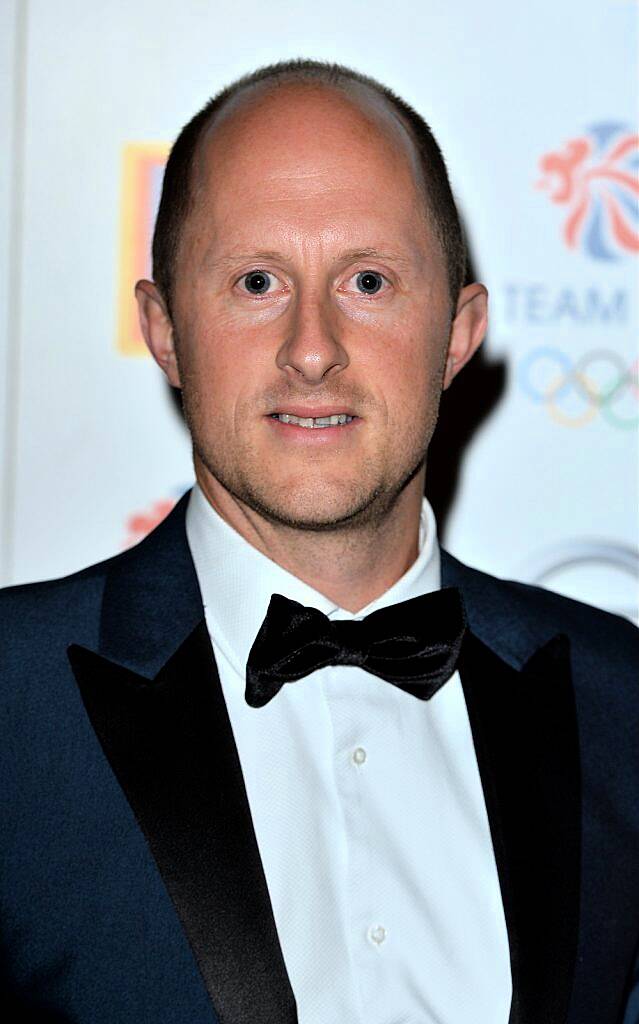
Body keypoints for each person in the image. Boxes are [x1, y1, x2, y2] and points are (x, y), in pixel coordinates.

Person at [1, 60, 637, 1024]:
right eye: (257, 281)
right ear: (165, 329)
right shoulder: (13, 708)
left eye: (369, 281)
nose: (311, 346)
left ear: (458, 333)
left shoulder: (622, 704)